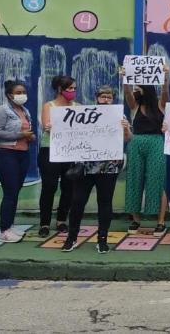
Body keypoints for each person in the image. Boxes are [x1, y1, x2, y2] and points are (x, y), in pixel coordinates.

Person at [63, 86, 132, 253]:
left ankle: (102, 239)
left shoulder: (119, 116)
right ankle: (71, 238)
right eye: (103, 97)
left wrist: (126, 128)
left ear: (113, 99)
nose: (106, 100)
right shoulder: (85, 114)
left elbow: (128, 139)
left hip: (108, 166)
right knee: (77, 201)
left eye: (109, 97)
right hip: (85, 166)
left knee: (105, 202)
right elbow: (70, 132)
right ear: (97, 98)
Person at [122, 67, 170, 236]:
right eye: (134, 88)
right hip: (136, 142)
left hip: (156, 142)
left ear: (146, 89)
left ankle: (160, 221)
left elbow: (165, 92)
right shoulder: (134, 106)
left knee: (157, 180)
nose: (135, 91)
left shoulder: (159, 104)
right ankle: (135, 219)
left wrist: (166, 76)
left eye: (138, 88)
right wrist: (125, 80)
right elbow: (127, 94)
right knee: (134, 180)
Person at [0, 80, 36, 243]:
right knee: (9, 192)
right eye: (18, 92)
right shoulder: (3, 110)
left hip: (23, 154)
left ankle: (10, 225)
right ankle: (4, 230)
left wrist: (30, 137)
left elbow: (26, 131)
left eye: (24, 92)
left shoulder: (25, 111)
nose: (22, 95)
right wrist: (20, 135)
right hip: (6, 154)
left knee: (15, 191)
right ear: (10, 95)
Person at [37, 75, 77, 238]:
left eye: (74, 88)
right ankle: (44, 223)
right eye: (70, 88)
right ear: (60, 89)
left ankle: (61, 220)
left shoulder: (78, 107)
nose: (73, 91)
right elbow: (45, 124)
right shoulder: (49, 106)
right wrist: (48, 126)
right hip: (50, 149)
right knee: (49, 186)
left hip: (70, 151)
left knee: (69, 187)